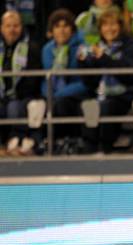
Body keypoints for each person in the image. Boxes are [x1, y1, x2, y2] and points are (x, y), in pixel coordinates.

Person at [78, 9, 133, 153]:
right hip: (100, 95)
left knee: (107, 107)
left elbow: (128, 76)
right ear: (100, 29)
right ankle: (89, 151)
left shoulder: (131, 46)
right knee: (88, 106)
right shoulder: (96, 48)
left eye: (113, 24)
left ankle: (104, 149)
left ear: (120, 26)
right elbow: (90, 83)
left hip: (124, 95)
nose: (109, 29)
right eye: (105, 25)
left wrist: (104, 58)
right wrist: (82, 63)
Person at [41, 8, 88, 150]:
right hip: (54, 93)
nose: (61, 31)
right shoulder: (47, 49)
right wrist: (48, 93)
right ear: (52, 30)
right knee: (40, 104)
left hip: (77, 92)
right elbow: (46, 77)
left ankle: (68, 141)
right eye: (57, 26)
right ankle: (47, 142)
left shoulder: (82, 47)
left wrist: (58, 94)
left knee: (62, 104)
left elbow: (86, 80)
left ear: (72, 29)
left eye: (65, 26)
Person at [0, 10, 41, 156]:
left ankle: (15, 143)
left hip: (22, 96)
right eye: (8, 26)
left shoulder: (31, 48)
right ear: (2, 28)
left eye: (16, 26)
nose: (12, 30)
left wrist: (14, 94)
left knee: (14, 107)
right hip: (2, 95)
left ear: (22, 27)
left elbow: (33, 79)